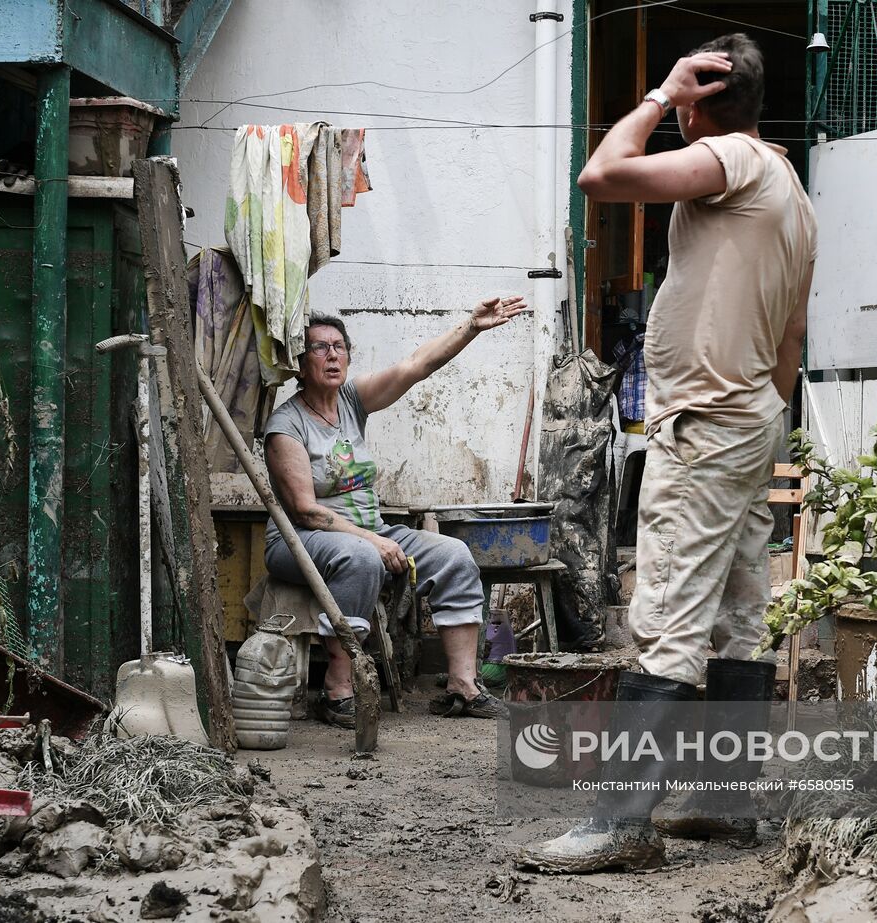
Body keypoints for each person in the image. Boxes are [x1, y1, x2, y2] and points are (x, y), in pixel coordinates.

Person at [518, 33, 817, 873]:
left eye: (685, 97)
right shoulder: (791, 187)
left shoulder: (729, 158)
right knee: (737, 613)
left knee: (669, 617)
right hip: (753, 417)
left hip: (710, 425)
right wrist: (761, 418)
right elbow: (791, 334)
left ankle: (621, 822)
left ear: (700, 101)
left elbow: (602, 176)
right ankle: (724, 802)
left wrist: (656, 93)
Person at [262, 298, 528, 728]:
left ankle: (464, 684)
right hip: (298, 543)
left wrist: (472, 326)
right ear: (300, 361)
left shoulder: (351, 401)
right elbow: (306, 511)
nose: (332, 355)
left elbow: (415, 365)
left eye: (339, 346)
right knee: (362, 557)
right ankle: (337, 689)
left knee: (454, 555)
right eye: (318, 348)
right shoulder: (286, 425)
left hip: (368, 530)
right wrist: (372, 540)